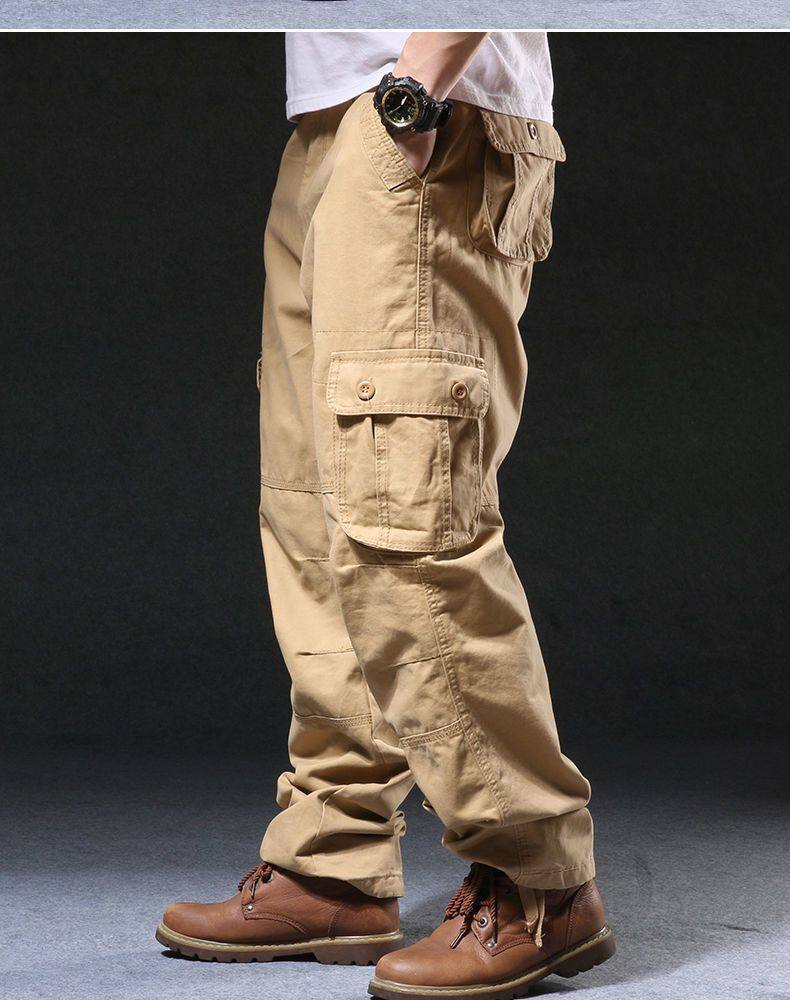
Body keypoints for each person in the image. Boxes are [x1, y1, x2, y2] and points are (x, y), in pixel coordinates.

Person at [156, 30, 615, 999]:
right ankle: (335, 863)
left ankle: (541, 880)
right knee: (310, 507)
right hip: (331, 120)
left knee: (406, 513)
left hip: (426, 113)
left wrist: (414, 91)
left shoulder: (415, 104)